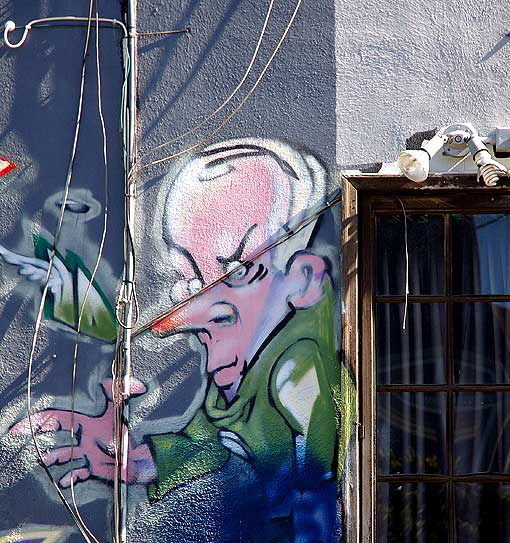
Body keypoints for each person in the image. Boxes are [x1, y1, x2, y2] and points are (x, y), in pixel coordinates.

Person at [12, 139, 353, 543]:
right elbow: (205, 448)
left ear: (303, 279)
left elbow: (313, 488)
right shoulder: (237, 385)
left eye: (237, 270)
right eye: (188, 276)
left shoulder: (296, 371)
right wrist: (128, 463)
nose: (195, 301)